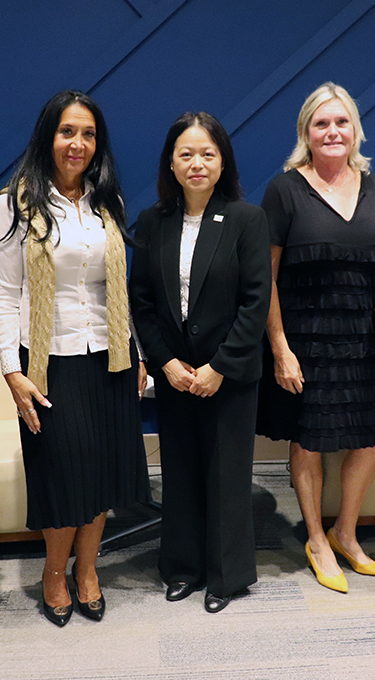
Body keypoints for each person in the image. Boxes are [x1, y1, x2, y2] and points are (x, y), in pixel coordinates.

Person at [0, 90, 148, 628]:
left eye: (88, 134)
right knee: (61, 472)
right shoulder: (17, 202)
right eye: (67, 132)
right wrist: (11, 370)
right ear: (47, 137)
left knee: (101, 472)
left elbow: (118, 287)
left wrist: (138, 351)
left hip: (110, 357)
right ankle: (54, 572)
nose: (77, 143)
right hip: (47, 363)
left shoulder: (109, 202)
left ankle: (88, 569)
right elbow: (4, 293)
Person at [257, 83, 375, 593]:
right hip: (303, 339)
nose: (332, 132)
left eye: (341, 122)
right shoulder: (285, 189)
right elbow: (265, 278)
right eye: (321, 124)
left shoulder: (373, 185)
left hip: (360, 335)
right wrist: (280, 349)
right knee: (309, 441)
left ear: (355, 130)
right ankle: (316, 538)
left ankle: (345, 532)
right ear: (306, 133)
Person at [129, 112, 271, 613]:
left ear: (222, 160)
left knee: (227, 476)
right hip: (175, 376)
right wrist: (165, 362)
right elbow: (140, 301)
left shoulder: (246, 219)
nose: (196, 163)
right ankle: (183, 568)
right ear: (171, 161)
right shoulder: (151, 222)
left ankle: (226, 577)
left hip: (227, 377)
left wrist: (220, 367)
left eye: (207, 153)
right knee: (182, 472)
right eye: (186, 154)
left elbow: (257, 302)